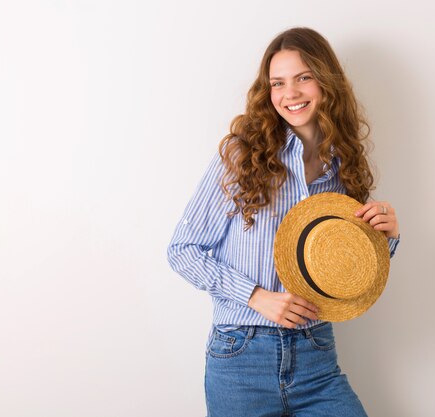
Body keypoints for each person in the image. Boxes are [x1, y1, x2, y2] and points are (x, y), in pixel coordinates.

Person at [167, 27, 400, 417]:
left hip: (316, 355)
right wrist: (257, 297)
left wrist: (387, 236)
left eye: (303, 78)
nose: (290, 93)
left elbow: (346, 274)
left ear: (326, 82)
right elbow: (182, 251)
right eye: (278, 83)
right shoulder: (243, 156)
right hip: (242, 356)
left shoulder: (343, 166)